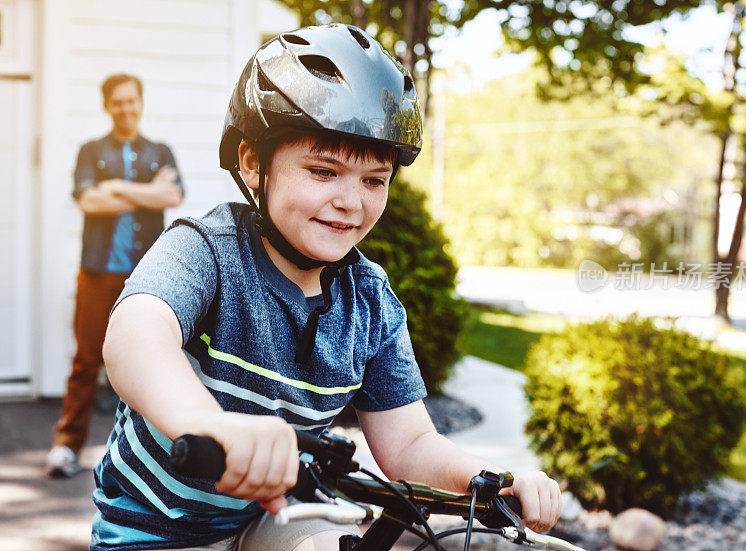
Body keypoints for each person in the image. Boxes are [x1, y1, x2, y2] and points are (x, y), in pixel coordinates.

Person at [91, 25, 562, 551]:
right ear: (253, 163)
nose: (350, 201)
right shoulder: (207, 251)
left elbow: (408, 442)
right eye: (322, 170)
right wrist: (209, 425)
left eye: (373, 180)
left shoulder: (370, 302)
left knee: (330, 544)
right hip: (152, 531)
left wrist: (491, 479)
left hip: (274, 518)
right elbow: (135, 339)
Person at [46, 74, 184, 478]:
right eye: (118, 102)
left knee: (152, 362)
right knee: (86, 361)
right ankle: (66, 446)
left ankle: (150, 459)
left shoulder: (160, 151)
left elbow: (171, 197)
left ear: (141, 102)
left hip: (148, 278)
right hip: (97, 273)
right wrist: (145, 191)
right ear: (108, 106)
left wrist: (118, 187)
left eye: (131, 101)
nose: (126, 108)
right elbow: (89, 201)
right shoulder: (91, 151)